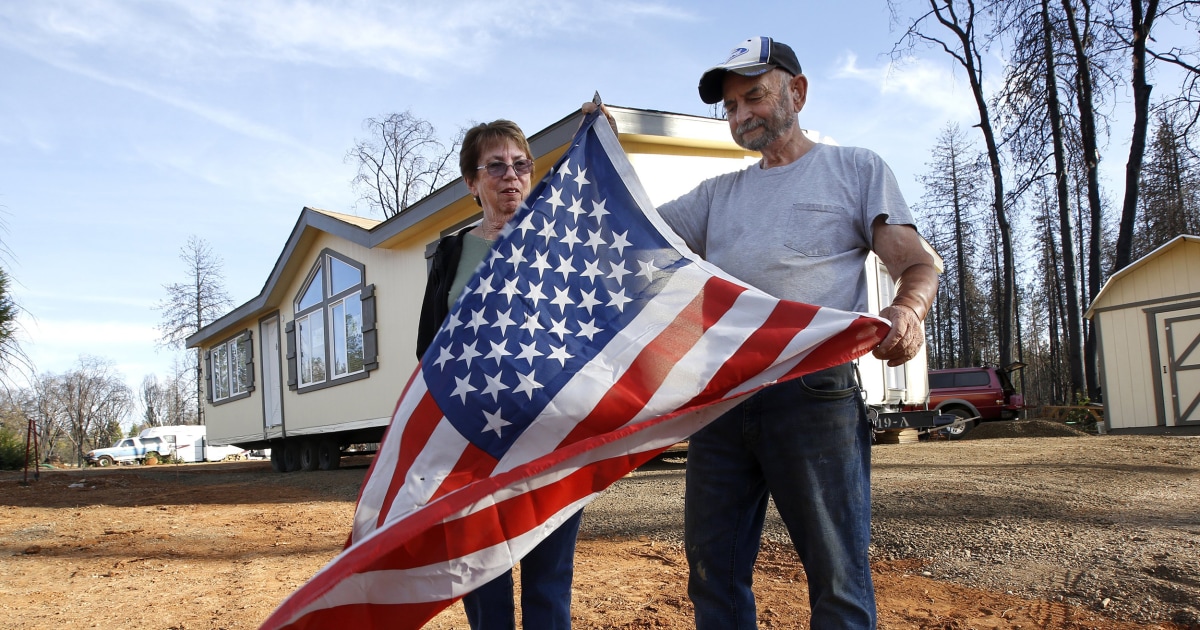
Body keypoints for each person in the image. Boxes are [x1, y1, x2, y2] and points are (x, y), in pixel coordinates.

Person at [624, 36, 938, 628]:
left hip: (813, 393)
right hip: (722, 396)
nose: (741, 115)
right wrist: (603, 155)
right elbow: (635, 237)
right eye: (731, 107)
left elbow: (918, 265)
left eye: (754, 97)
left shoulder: (855, 169)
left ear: (797, 92)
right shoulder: (718, 196)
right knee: (713, 571)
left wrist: (908, 312)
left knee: (837, 574)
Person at [415, 119, 584, 630]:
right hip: (474, 443)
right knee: (482, 578)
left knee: (548, 583)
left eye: (520, 165)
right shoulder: (451, 252)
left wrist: (603, 146)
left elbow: (588, 330)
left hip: (549, 436)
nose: (511, 176)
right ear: (472, 181)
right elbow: (427, 349)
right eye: (496, 166)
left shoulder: (558, 243)